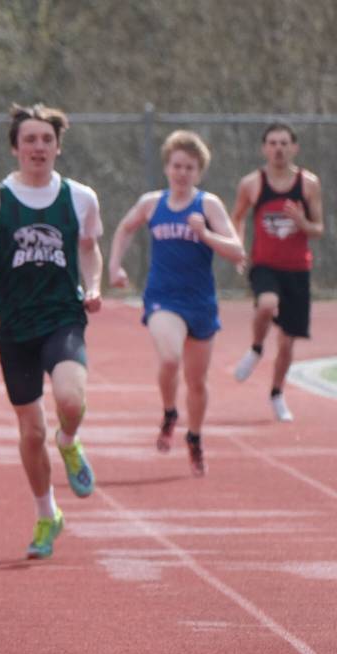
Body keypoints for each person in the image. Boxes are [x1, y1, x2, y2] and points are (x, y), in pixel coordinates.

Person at [0, 103, 102, 560]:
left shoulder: (80, 197)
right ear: (15, 148)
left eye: (46, 139)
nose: (38, 147)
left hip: (63, 316)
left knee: (70, 400)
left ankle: (70, 441)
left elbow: (89, 250)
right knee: (29, 431)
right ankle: (47, 514)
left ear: (58, 146)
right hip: (14, 325)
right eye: (30, 140)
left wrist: (94, 284)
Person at [108, 131, 244, 476]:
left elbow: (237, 251)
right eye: (177, 166)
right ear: (167, 168)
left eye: (190, 167)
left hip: (200, 302)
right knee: (170, 358)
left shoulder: (208, 205)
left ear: (199, 171)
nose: (182, 172)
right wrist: (114, 265)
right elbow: (125, 228)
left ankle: (194, 437)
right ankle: (170, 411)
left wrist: (205, 234)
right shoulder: (152, 203)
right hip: (162, 298)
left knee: (197, 381)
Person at [230, 122, 324, 422]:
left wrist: (302, 221)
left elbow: (318, 228)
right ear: (264, 148)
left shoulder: (308, 184)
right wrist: (237, 250)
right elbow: (238, 218)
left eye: (284, 143)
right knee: (267, 305)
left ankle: (277, 394)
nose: (278, 149)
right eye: (272, 143)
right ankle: (256, 348)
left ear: (294, 147)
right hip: (265, 264)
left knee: (286, 342)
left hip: (297, 269)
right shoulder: (252, 184)